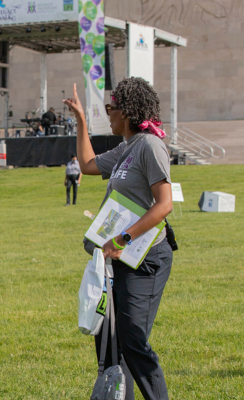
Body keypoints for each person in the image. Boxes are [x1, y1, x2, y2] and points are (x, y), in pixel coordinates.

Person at [63, 77, 173, 400]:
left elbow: (164, 204)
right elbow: (88, 164)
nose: (108, 115)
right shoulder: (127, 148)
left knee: (133, 339)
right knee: (112, 337)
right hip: (121, 258)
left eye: (110, 109)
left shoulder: (151, 146)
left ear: (125, 112)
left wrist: (122, 238)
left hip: (147, 258)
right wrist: (81, 121)